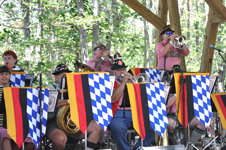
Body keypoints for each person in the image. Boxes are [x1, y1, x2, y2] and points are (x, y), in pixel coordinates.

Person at [156, 26, 205, 148]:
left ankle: (190, 146)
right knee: (169, 99)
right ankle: (178, 145)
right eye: (167, 33)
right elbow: (163, 52)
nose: (170, 35)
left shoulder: (176, 46)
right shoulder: (160, 45)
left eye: (171, 33)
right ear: (163, 35)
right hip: (165, 76)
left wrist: (180, 43)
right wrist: (171, 41)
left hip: (178, 74)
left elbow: (186, 52)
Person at [46, 64, 102, 150]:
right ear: (56, 78)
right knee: (60, 139)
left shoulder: (74, 88)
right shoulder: (50, 88)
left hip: (73, 123)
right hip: (54, 123)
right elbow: (50, 104)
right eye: (63, 76)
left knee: (96, 126)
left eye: (68, 75)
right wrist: (69, 101)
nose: (66, 78)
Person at [109, 59, 155, 150]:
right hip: (117, 114)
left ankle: (137, 148)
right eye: (119, 70)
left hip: (135, 113)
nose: (122, 72)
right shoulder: (111, 82)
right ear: (113, 72)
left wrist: (136, 85)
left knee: (152, 127)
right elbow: (113, 98)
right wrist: (124, 82)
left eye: (123, 69)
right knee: (118, 128)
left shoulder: (132, 81)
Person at [0, 65, 36, 150]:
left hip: (14, 124)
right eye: (1, 74)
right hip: (1, 124)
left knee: (34, 139)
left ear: (10, 76)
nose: (4, 76)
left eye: (6, 74)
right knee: (5, 134)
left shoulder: (15, 91)